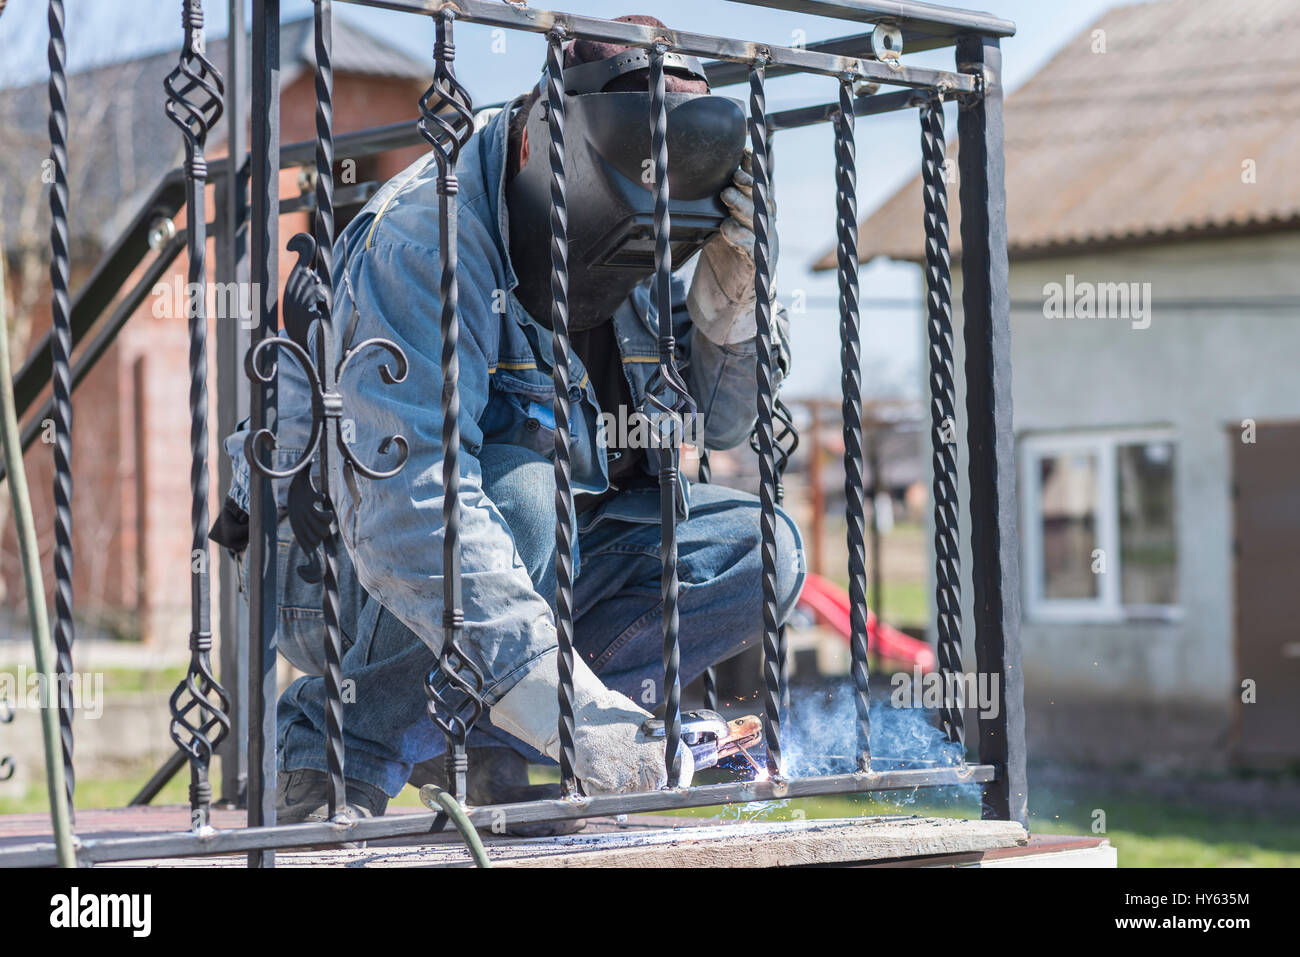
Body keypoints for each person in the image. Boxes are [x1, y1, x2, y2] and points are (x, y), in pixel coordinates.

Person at [218, 16, 804, 831]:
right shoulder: (428, 236)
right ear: (542, 143)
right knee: (526, 498)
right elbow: (408, 502)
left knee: (759, 549)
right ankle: (337, 745)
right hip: (337, 568)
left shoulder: (636, 225)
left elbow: (728, 424)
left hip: (528, 562)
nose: (639, 255)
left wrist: (729, 308)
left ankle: (503, 746)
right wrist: (553, 692)